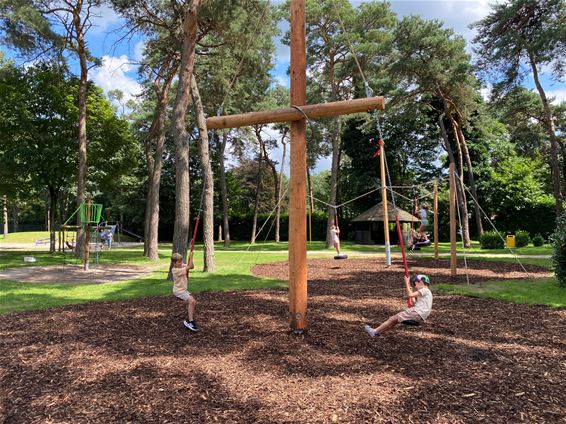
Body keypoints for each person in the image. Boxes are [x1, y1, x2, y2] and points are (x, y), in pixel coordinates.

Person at [364, 274, 432, 337]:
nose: (415, 286)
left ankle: (374, 331)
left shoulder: (424, 290)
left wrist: (407, 283)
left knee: (392, 318)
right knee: (395, 321)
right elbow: (414, 303)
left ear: (420, 282)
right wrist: (411, 293)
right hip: (419, 316)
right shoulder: (427, 293)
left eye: (415, 284)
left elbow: (409, 295)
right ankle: (378, 332)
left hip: (416, 312)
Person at [171, 252, 199, 332]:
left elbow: (191, 267)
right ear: (174, 263)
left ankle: (189, 321)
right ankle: (190, 321)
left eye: (181, 261)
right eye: (179, 262)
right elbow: (189, 266)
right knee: (192, 301)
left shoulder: (180, 265)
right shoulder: (175, 270)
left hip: (183, 290)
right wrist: (191, 256)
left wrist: (191, 259)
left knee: (193, 302)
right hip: (179, 291)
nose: (181, 263)